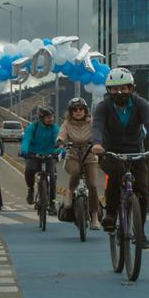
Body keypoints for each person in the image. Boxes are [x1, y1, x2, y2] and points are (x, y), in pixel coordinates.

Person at [90, 68, 149, 249]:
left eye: (123, 88)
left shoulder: (141, 104)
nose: (119, 92)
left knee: (143, 189)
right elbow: (97, 126)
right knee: (116, 172)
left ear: (131, 88)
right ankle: (110, 214)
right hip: (110, 152)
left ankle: (141, 232)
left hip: (135, 151)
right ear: (109, 90)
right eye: (115, 89)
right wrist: (97, 144)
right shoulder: (103, 107)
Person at [56, 97, 100, 228]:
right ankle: (70, 192)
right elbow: (61, 134)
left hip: (90, 157)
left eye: (81, 109)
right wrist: (60, 142)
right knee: (75, 172)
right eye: (75, 109)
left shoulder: (92, 122)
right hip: (73, 156)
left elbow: (98, 134)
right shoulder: (67, 123)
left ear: (85, 111)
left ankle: (94, 218)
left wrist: (99, 143)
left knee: (92, 186)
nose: (78, 111)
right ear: (71, 112)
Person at [20, 106, 59, 212]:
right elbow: (26, 139)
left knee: (52, 178)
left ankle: (52, 204)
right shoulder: (33, 126)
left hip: (50, 154)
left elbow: (58, 140)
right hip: (34, 153)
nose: (51, 119)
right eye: (48, 117)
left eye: (52, 116)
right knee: (30, 170)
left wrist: (60, 150)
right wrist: (24, 150)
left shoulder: (54, 128)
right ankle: (31, 189)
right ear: (41, 118)